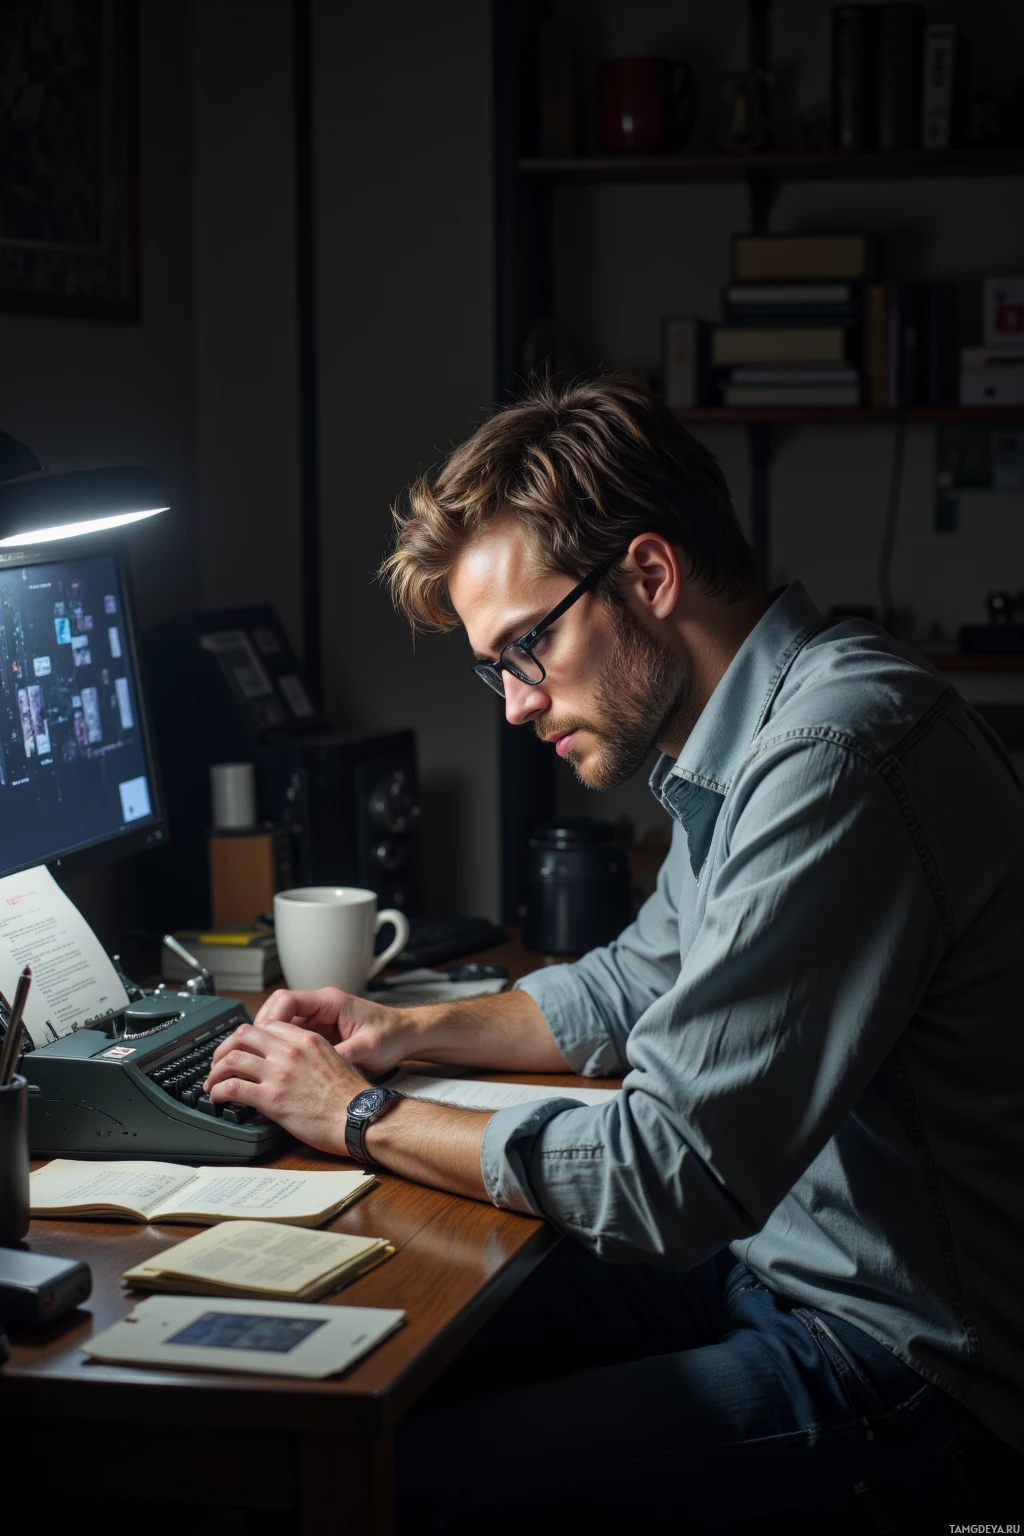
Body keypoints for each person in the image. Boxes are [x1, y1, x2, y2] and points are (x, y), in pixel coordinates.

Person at [203, 376, 1023, 1531]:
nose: (514, 706)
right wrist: (400, 1032)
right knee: (347, 1359)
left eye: (524, 647)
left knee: (387, 1487)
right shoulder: (761, 723)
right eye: (494, 667)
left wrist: (354, 1117)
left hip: (909, 1370)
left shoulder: (832, 757)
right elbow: (633, 984)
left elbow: (666, 1174)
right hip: (776, 1267)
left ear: (647, 574)